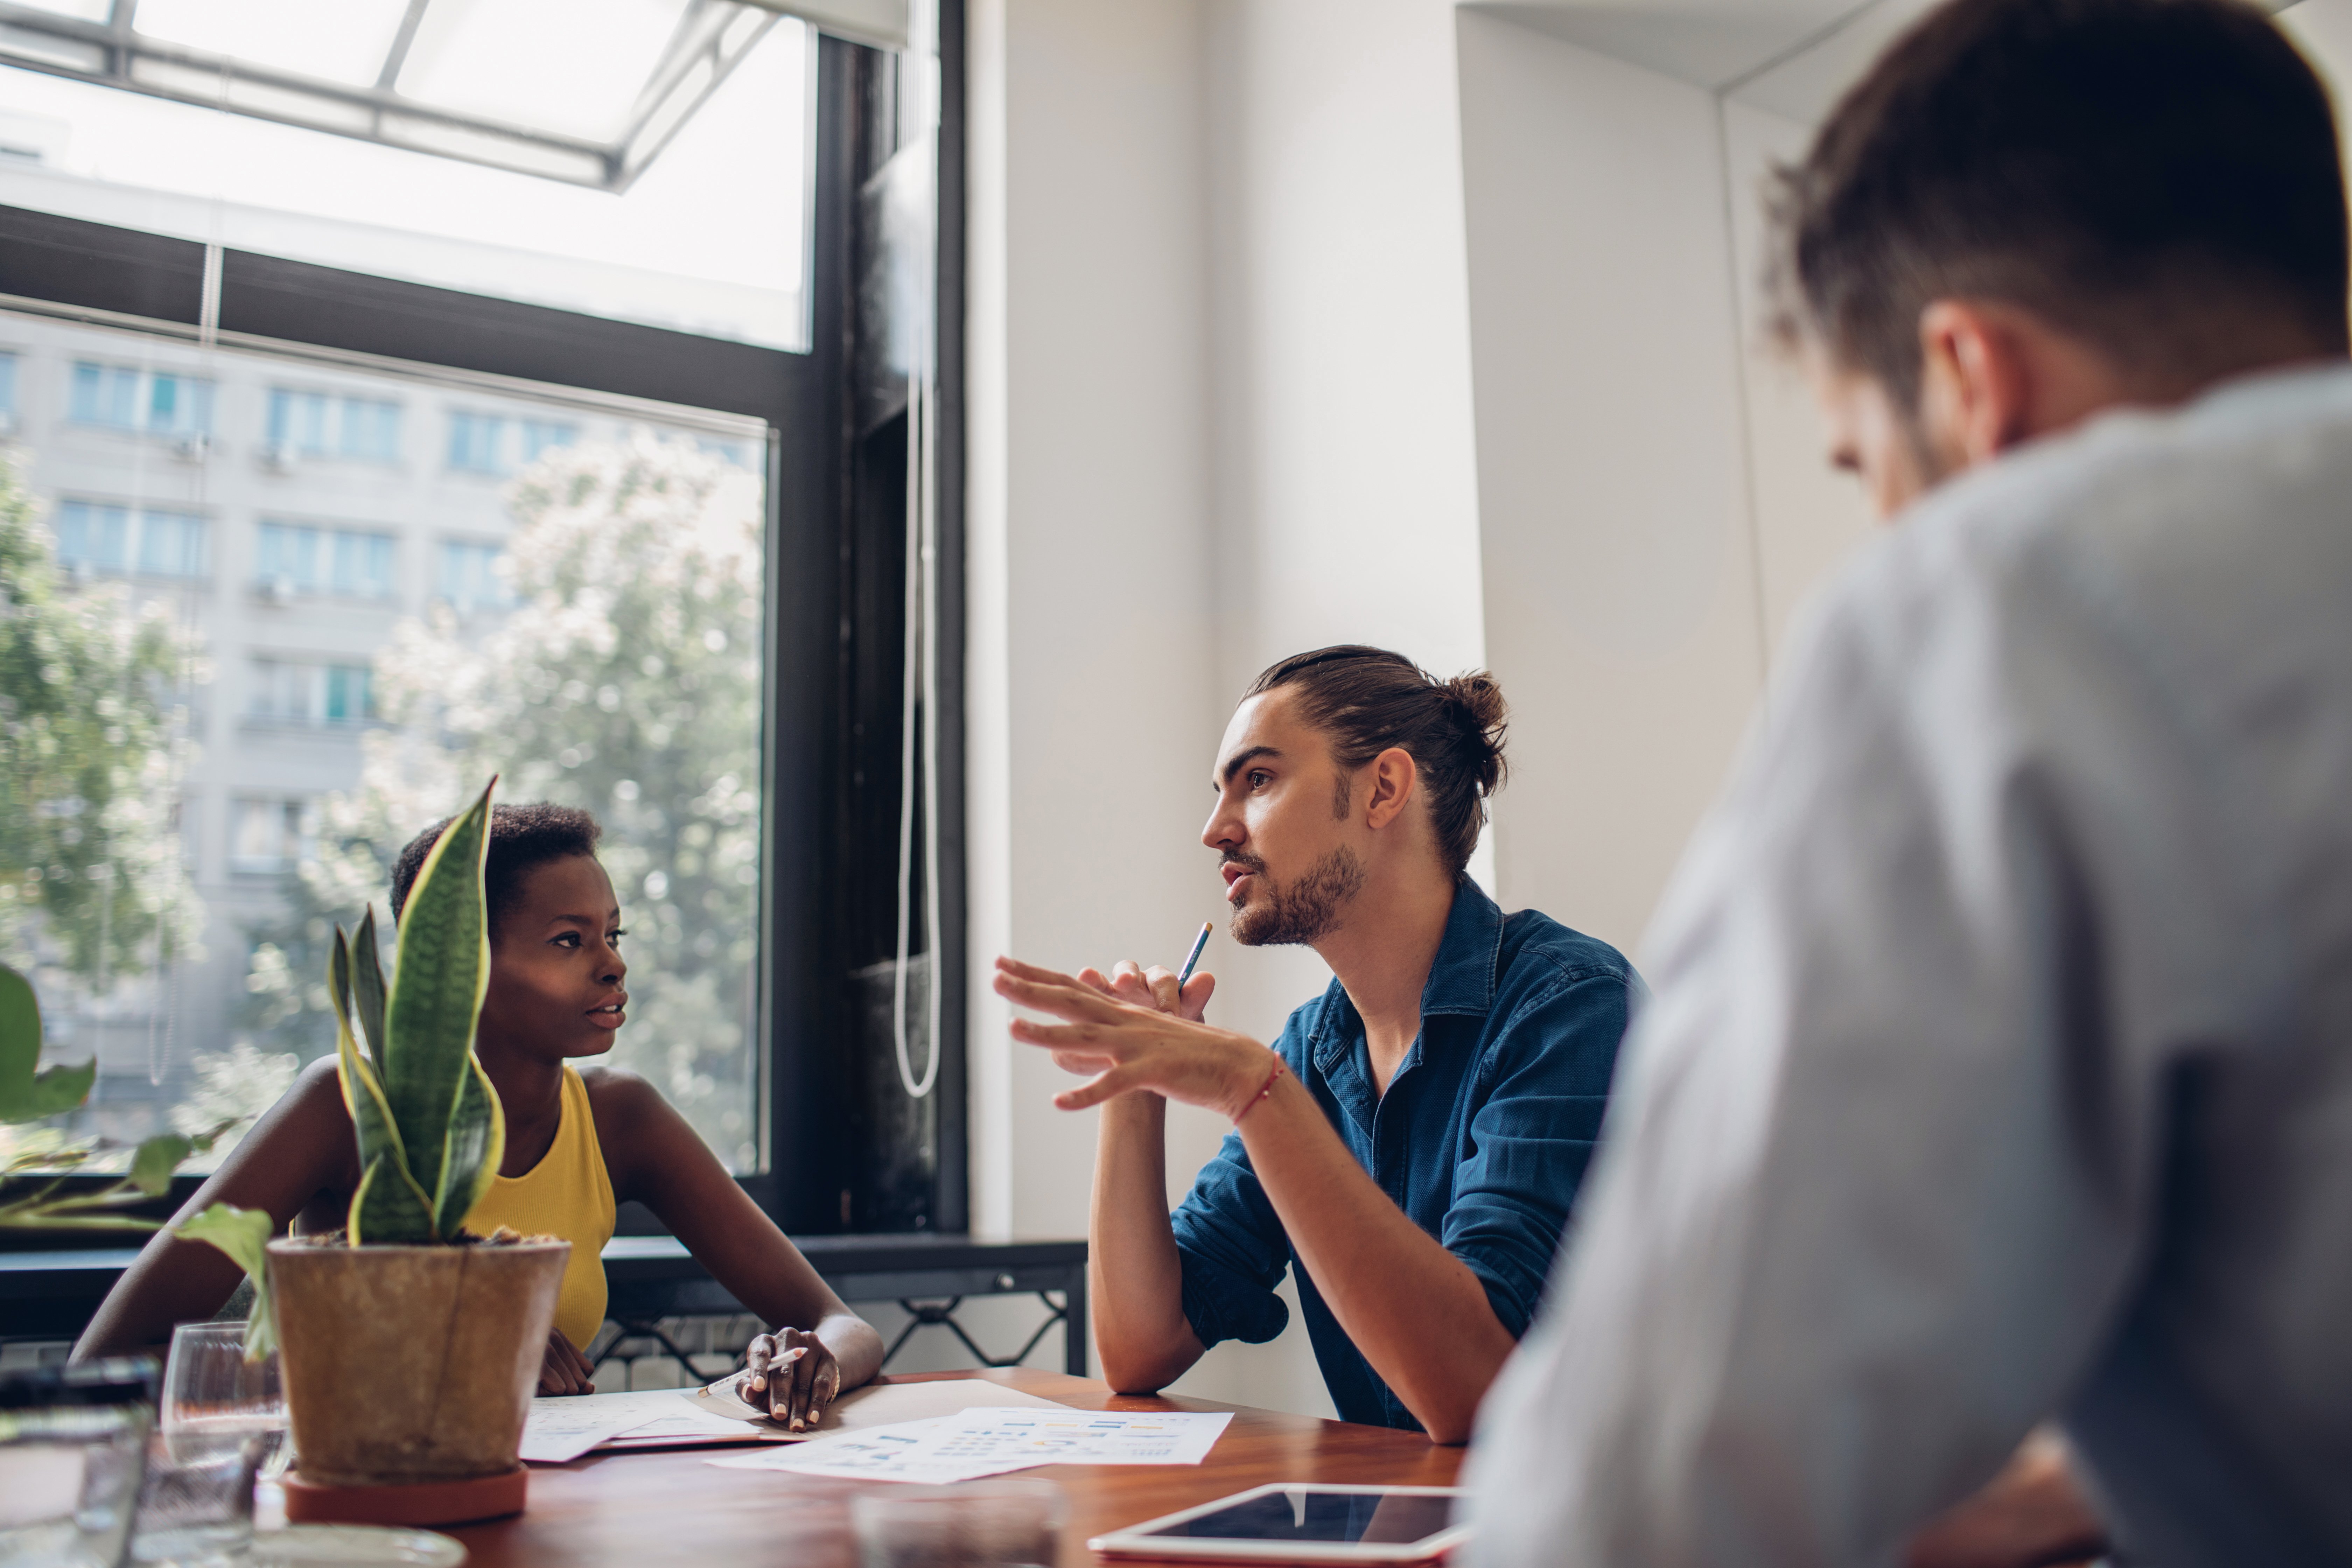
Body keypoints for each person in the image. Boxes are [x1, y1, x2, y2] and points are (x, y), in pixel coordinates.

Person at [1464, 0, 2352, 1563]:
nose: (1890, 532)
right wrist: (2077, 1485)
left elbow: (1635, 1513)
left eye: (1866, 469)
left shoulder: (2008, 592)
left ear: (1968, 381)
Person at [993, 647, 1636, 1441]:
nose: (1214, 829)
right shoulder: (1312, 1050)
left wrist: (1251, 1088)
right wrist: (1135, 1081)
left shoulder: (1569, 1006)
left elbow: (1481, 1396)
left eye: (1256, 779)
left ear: (1383, 789)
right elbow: (1140, 1346)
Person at [77, 804, 882, 1428]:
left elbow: (844, 1325)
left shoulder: (620, 1117)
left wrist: (812, 1359)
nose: (614, 962)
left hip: (538, 1503)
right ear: (463, 962)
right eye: (570, 939)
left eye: (613, 932)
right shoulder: (346, 1105)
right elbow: (108, 1359)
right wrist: (450, 1355)